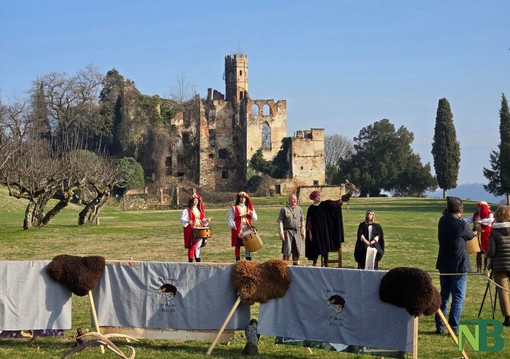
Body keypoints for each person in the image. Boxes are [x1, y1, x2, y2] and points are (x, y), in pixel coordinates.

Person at [434, 196, 475, 335]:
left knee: (444, 296)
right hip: (458, 265)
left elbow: (446, 216)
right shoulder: (462, 224)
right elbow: (471, 236)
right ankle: (454, 327)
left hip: (444, 264)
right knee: (458, 297)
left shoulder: (442, 221)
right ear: (461, 210)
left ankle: (440, 326)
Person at [305, 190, 351, 267]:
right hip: (315, 231)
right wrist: (310, 233)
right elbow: (309, 222)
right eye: (317, 196)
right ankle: (314, 263)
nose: (319, 197)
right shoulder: (311, 208)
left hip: (325, 231)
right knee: (315, 247)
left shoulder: (325, 204)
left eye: (319, 195)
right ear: (314, 198)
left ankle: (326, 263)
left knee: (325, 246)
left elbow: (335, 204)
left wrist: (342, 200)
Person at [486, 205, 510, 327]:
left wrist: (486, 255)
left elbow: (492, 252)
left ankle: (508, 318)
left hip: (500, 265)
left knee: (502, 291)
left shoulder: (494, 231)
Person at [227, 191, 257, 262]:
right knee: (238, 245)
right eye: (241, 197)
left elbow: (255, 218)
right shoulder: (234, 208)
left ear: (246, 199)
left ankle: (248, 261)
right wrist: (233, 225)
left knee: (248, 244)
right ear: (239, 198)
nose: (242, 199)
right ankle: (238, 260)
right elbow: (229, 218)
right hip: (238, 228)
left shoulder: (249, 208)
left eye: (244, 198)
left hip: (247, 227)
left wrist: (252, 213)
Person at [464, 201, 494, 272]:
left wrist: (480, 222)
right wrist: (460, 220)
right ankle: (478, 268)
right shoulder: (476, 214)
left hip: (487, 236)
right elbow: (468, 220)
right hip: (478, 235)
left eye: (480, 207)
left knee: (487, 251)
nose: (479, 208)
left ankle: (486, 268)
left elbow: (490, 220)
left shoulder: (490, 214)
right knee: (478, 251)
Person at [180, 194, 210, 263]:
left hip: (199, 229)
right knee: (192, 246)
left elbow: (202, 221)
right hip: (192, 230)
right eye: (194, 200)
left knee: (198, 246)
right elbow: (182, 219)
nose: (196, 202)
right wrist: (187, 221)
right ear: (191, 201)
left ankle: (198, 260)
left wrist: (206, 220)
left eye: (197, 200)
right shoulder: (187, 210)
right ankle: (190, 261)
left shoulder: (199, 210)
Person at [277, 194, 306, 265]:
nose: (295, 200)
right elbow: (280, 221)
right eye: (293, 199)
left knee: (297, 251)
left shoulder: (299, 209)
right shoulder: (284, 209)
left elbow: (302, 220)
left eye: (295, 199)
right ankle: (285, 268)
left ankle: (296, 268)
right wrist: (281, 232)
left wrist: (303, 230)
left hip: (297, 232)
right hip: (288, 232)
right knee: (287, 251)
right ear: (289, 200)